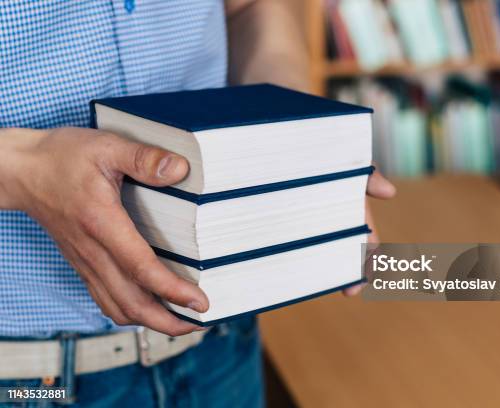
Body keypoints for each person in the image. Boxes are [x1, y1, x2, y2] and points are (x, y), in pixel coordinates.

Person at [0, 0, 396, 406]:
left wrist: (295, 133)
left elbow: (248, 8)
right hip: (29, 378)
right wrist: (23, 171)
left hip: (222, 341)